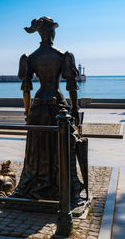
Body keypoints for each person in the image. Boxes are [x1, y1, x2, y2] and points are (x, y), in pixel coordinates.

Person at [14, 17, 83, 202]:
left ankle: (36, 182)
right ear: (52, 32)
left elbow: (26, 89)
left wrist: (27, 111)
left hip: (37, 107)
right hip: (58, 107)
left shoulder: (30, 58)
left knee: (36, 149)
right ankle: (59, 185)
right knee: (60, 146)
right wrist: (75, 110)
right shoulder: (63, 56)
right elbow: (71, 87)